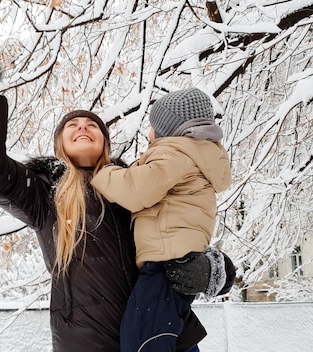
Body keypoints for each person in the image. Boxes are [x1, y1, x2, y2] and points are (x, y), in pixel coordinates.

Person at [0, 18, 233, 352]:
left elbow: (186, 223)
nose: (82, 127)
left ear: (105, 144)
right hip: (87, 344)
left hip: (164, 337)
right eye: (73, 125)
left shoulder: (137, 183)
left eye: (91, 125)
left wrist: (215, 269)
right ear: (60, 146)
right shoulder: (43, 193)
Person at [90, 87, 235, 352]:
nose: (149, 133)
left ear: (169, 129)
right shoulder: (199, 154)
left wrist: (103, 174)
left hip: (166, 263)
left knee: (143, 339)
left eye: (152, 127)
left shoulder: (174, 153)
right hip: (178, 259)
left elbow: (136, 191)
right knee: (165, 334)